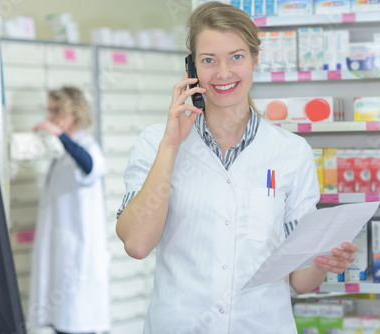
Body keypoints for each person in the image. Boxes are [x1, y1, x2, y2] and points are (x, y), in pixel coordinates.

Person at [116, 2, 357, 333]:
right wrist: (171, 146)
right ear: (191, 68)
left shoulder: (291, 152)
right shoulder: (156, 142)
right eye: (209, 60)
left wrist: (324, 261)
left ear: (255, 60)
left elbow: (301, 281)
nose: (224, 73)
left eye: (236, 57)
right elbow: (137, 244)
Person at [28, 87, 110, 334]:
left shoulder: (85, 145)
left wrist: (60, 136)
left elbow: (89, 164)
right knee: (62, 321)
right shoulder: (61, 152)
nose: (51, 116)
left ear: (73, 113)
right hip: (61, 252)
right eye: (50, 110)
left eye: (57, 110)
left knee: (78, 321)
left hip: (79, 254)